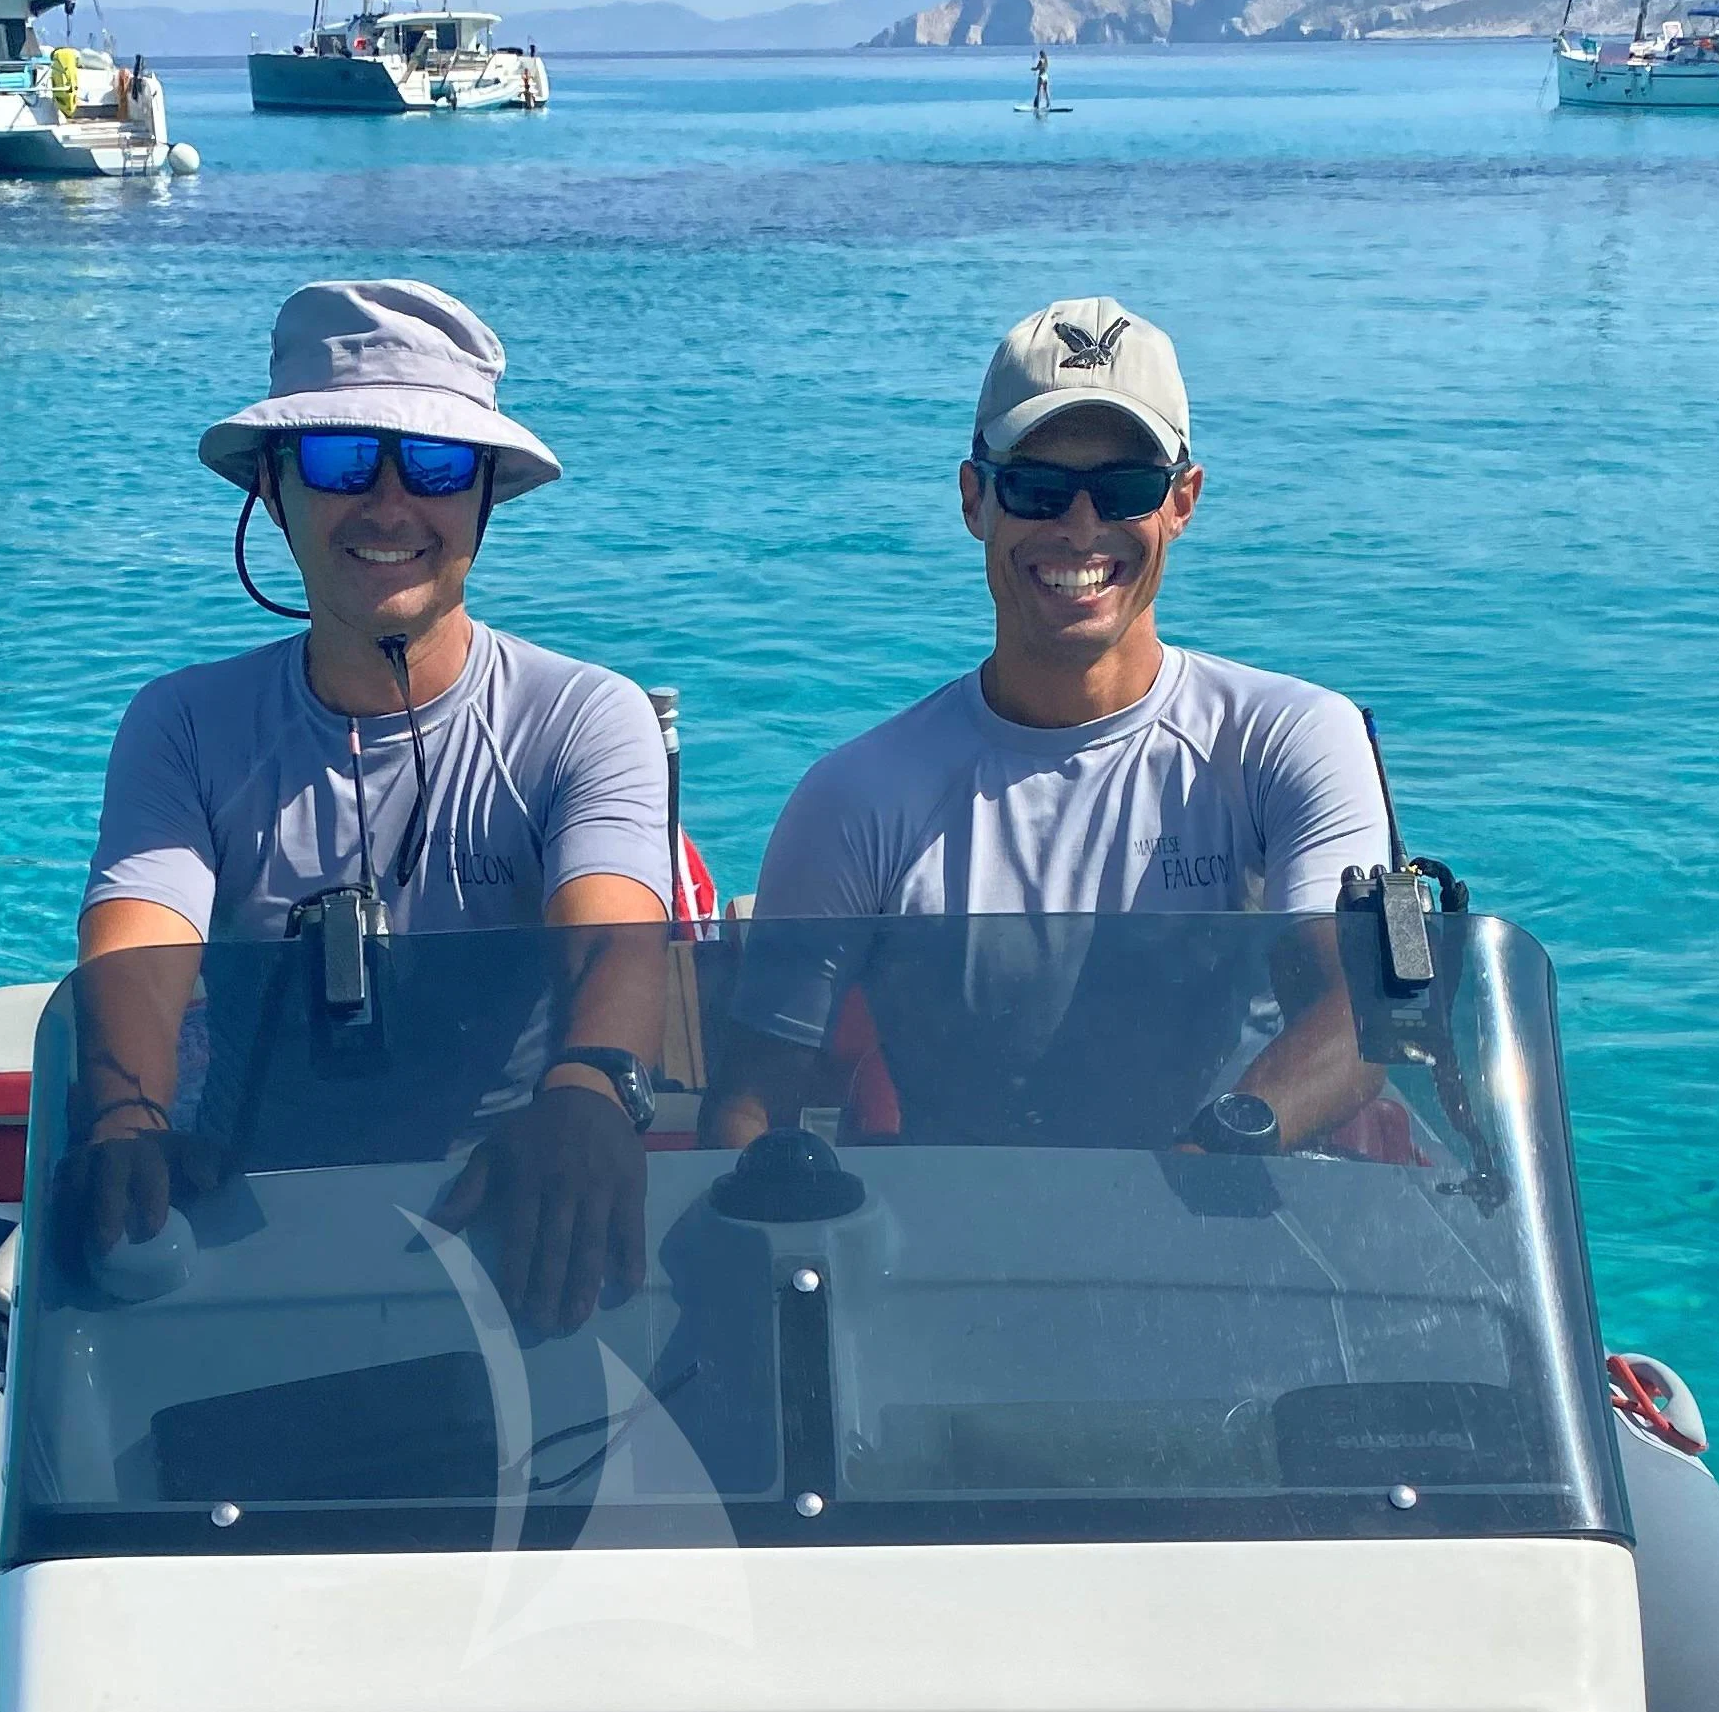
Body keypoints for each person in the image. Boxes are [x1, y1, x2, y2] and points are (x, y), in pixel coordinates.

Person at [70, 278, 670, 1331]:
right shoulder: (181, 723)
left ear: (483, 494)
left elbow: (617, 926)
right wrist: (129, 1116)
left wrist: (586, 1088)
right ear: (272, 482)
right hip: (240, 1216)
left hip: (508, 1211)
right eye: (343, 460)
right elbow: (140, 940)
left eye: (435, 465)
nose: (390, 504)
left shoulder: (585, 715)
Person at [712, 297, 1393, 1154]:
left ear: (1182, 502)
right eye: (1037, 488)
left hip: (1229, 1249)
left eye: (1125, 489)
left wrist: (1200, 1170)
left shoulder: (1290, 740)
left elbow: (1359, 1013)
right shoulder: (854, 797)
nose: (1080, 526)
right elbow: (752, 1094)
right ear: (975, 500)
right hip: (955, 1268)